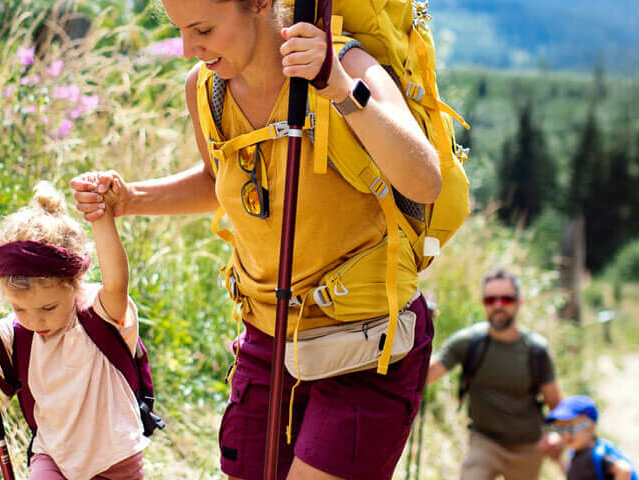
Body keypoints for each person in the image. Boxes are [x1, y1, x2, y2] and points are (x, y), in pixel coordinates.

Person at [68, 0, 446, 477]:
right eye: (181, 31)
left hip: (364, 343)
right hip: (268, 342)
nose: (188, 49)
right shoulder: (206, 90)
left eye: (202, 28)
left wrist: (339, 88)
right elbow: (217, 180)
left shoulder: (346, 65)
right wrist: (131, 199)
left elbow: (424, 180)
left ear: (259, 5)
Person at [0, 182, 147, 480]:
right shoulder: (20, 333)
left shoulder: (99, 315)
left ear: (77, 281)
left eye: (48, 308)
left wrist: (101, 218)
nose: (35, 321)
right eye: (20, 309)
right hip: (55, 457)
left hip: (116, 459)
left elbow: (116, 283)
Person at [425, 268, 566, 480]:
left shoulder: (536, 350)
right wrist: (421, 326)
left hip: (528, 448)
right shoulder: (468, 342)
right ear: (483, 303)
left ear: (519, 302)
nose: (498, 305)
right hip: (484, 442)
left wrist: (558, 435)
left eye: (506, 299)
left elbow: (557, 405)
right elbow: (423, 375)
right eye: (491, 300)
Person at [542, 396, 637, 480]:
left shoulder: (596, 454)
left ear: (591, 427)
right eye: (561, 430)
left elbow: (624, 470)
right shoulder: (576, 454)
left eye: (571, 428)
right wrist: (559, 460)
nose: (566, 435)